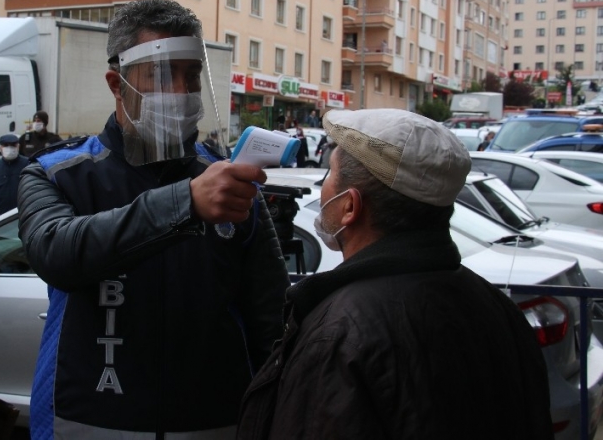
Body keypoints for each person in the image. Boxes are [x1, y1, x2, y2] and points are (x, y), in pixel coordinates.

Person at [18, 0, 289, 439]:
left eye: (191, 75)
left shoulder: (225, 180)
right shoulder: (58, 173)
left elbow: (269, 316)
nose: (181, 92)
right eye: (162, 74)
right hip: (86, 420)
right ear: (116, 83)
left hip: (213, 424)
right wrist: (185, 203)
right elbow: (58, 253)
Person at [237, 108, 553, 439]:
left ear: (350, 206)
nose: (323, 186)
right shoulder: (496, 305)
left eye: (329, 174)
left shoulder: (340, 332)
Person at [0, 134, 29, 223]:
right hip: (0, 218)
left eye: (13, 145)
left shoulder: (27, 165)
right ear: (0, 148)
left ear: (18, 147)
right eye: (6, 145)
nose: (9, 148)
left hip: (23, 216)